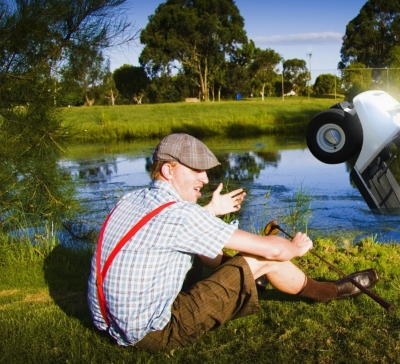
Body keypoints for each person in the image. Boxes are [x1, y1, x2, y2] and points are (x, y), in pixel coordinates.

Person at [87, 133, 379, 350]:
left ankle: (252, 280)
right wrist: (295, 247)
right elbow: (273, 248)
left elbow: (173, 228)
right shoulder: (181, 215)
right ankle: (329, 291)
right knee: (264, 257)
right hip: (154, 333)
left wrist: (211, 210)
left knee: (211, 251)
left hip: (107, 322)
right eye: (195, 169)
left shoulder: (132, 200)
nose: (204, 177)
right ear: (168, 170)